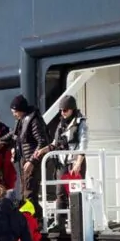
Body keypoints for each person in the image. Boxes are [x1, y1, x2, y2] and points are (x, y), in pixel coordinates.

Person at [35, 94, 88, 230]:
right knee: (60, 193)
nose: (62, 113)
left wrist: (78, 163)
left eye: (65, 110)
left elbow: (83, 144)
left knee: (76, 193)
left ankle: (78, 223)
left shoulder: (80, 123)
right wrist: (43, 150)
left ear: (72, 109)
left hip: (74, 161)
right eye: (61, 110)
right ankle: (59, 223)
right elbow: (55, 143)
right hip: (62, 162)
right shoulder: (61, 124)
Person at [10, 94, 48, 219]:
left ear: (21, 109)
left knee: (29, 193)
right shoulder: (21, 120)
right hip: (23, 160)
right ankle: (36, 219)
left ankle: (32, 223)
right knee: (24, 193)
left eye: (15, 111)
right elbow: (16, 137)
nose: (14, 114)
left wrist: (32, 161)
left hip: (31, 161)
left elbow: (42, 141)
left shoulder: (34, 120)